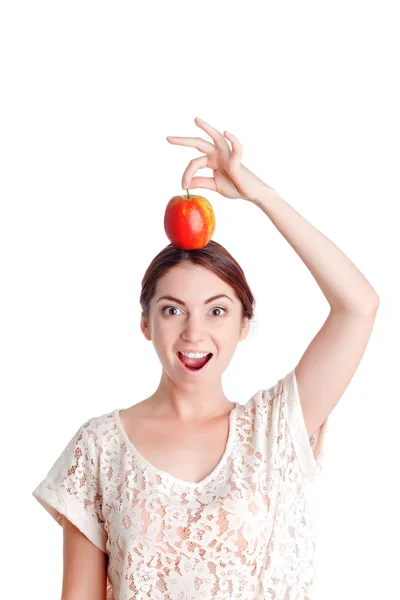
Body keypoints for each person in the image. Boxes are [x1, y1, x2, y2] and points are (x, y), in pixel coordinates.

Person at [32, 117, 380, 599]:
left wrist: (264, 196)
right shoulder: (98, 449)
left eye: (216, 311)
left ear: (243, 325)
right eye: (172, 309)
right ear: (145, 324)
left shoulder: (274, 430)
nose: (194, 332)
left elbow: (359, 306)